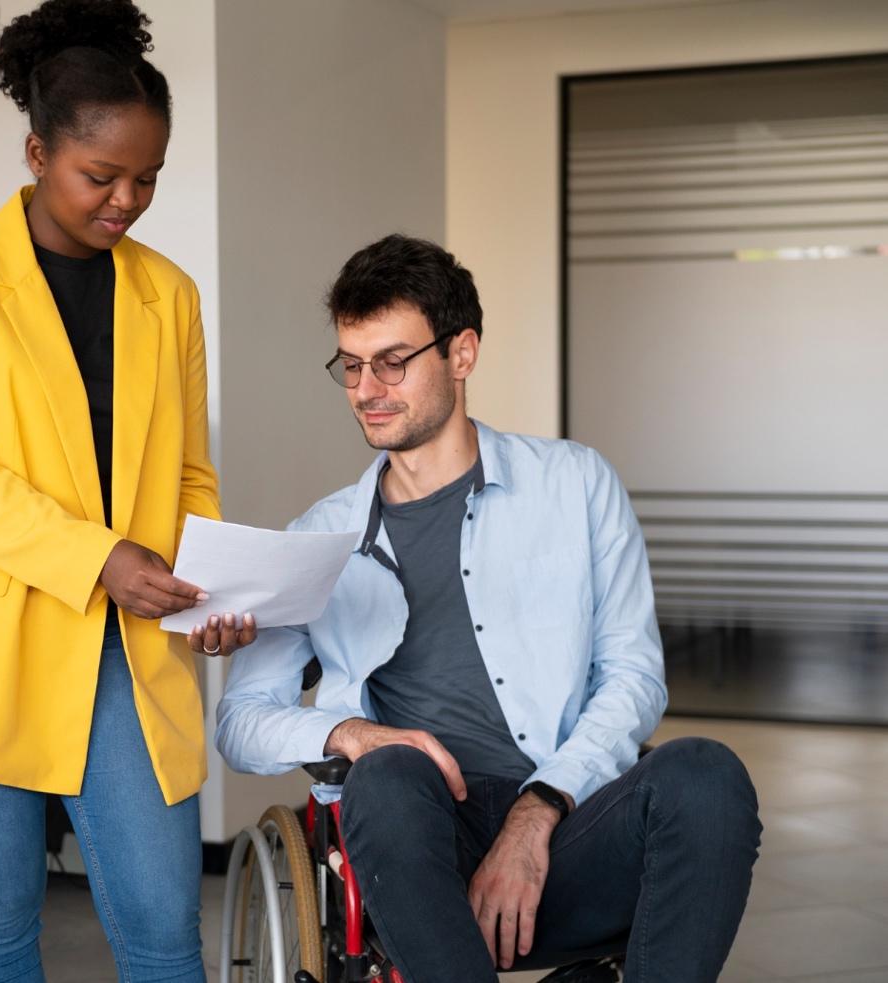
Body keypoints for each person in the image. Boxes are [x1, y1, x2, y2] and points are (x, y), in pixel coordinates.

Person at [215, 235, 761, 982]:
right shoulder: (319, 539)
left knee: (706, 773)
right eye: (351, 363)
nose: (367, 387)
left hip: (566, 822)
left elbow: (632, 675)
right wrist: (350, 732)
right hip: (418, 845)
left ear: (461, 353)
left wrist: (537, 812)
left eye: (393, 360)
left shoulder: (573, 484)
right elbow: (240, 721)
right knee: (385, 773)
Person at [0, 2, 255, 979]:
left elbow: (188, 472)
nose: (126, 199)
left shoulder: (170, 294)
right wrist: (101, 557)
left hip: (121, 643)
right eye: (102, 175)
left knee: (165, 934)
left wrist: (208, 585)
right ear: (37, 152)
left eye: (148, 178)